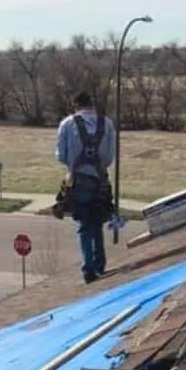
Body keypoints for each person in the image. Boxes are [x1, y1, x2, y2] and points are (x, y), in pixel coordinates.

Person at [56, 91, 116, 284]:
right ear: (92, 104)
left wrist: (76, 163)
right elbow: (109, 157)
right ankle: (100, 263)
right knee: (97, 221)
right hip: (100, 180)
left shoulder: (67, 124)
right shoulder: (106, 123)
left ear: (76, 105)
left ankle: (88, 267)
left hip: (77, 181)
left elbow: (61, 155)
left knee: (84, 225)